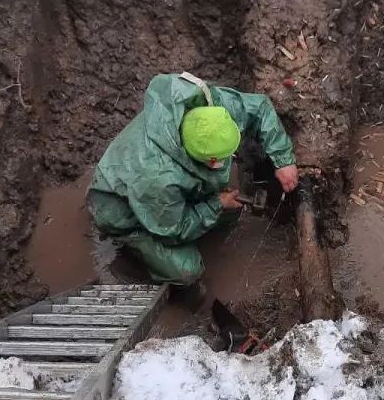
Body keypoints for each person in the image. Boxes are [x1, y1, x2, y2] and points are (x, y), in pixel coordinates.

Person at [88, 72, 298, 287]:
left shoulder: (210, 111)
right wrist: (216, 204)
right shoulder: (159, 180)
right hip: (122, 210)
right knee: (187, 272)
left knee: (229, 213)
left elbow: (260, 108)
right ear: (208, 160)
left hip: (150, 183)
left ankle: (201, 223)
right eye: (223, 158)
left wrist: (283, 160)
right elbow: (171, 230)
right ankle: (135, 259)